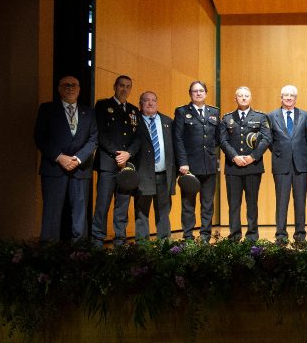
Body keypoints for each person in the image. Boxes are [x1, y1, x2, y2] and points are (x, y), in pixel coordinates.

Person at [34, 75, 98, 242]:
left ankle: (80, 253)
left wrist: (77, 159)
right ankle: (49, 252)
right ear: (59, 88)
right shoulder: (47, 109)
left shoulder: (89, 112)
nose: (70, 88)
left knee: (80, 214)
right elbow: (40, 137)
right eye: (66, 85)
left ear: (79, 89)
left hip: (80, 169)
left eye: (74, 85)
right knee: (51, 213)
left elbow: (94, 139)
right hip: (54, 168)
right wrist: (60, 157)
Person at [91, 75, 140, 246]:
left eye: (128, 86)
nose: (124, 89)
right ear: (115, 86)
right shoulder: (103, 106)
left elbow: (138, 138)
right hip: (108, 163)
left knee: (122, 206)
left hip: (126, 165)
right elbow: (100, 133)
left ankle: (120, 240)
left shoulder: (134, 110)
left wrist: (128, 154)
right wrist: (117, 153)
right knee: (102, 204)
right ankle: (97, 239)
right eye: (121, 85)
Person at [220, 86, 271, 242]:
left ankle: (252, 236)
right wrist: (234, 156)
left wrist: (253, 157)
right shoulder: (227, 118)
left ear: (251, 97)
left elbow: (266, 139)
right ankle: (234, 236)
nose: (243, 98)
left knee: (252, 203)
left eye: (246, 95)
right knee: (234, 204)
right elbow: (222, 140)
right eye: (240, 96)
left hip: (253, 167)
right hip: (233, 167)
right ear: (235, 98)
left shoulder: (261, 117)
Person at [173, 81, 220, 242]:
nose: (198, 93)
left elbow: (218, 138)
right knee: (188, 205)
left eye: (201, 91)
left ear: (206, 93)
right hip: (189, 167)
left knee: (207, 205)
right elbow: (177, 139)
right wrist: (182, 162)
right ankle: (188, 236)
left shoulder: (214, 112)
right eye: (195, 91)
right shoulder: (182, 112)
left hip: (209, 166)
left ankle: (205, 235)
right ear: (190, 94)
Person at [267, 85, 307, 244]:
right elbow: (269, 141)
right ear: (281, 97)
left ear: (295, 98)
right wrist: (281, 153)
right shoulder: (271, 116)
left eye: (291, 95)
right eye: (285, 95)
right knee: (281, 201)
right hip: (281, 165)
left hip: (301, 165)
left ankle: (300, 236)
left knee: (300, 202)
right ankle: (281, 235)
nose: (288, 98)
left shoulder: (305, 115)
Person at [133, 91, 176, 240]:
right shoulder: (134, 121)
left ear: (157, 103)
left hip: (164, 175)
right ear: (140, 104)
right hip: (142, 175)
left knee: (164, 213)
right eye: (146, 100)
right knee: (141, 212)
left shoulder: (168, 121)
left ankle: (165, 245)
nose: (150, 103)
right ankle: (142, 247)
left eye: (153, 100)